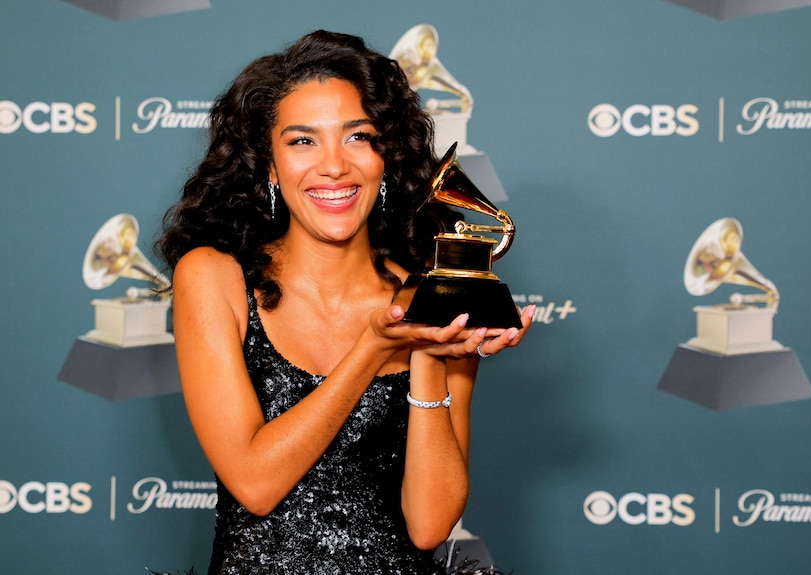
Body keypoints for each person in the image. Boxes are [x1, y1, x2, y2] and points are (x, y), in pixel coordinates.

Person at [156, 30, 534, 575]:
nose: (333, 166)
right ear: (269, 164)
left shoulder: (434, 295)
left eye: (358, 137)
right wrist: (376, 346)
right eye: (302, 141)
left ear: (385, 156)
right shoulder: (214, 278)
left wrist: (427, 351)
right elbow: (256, 485)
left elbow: (429, 526)